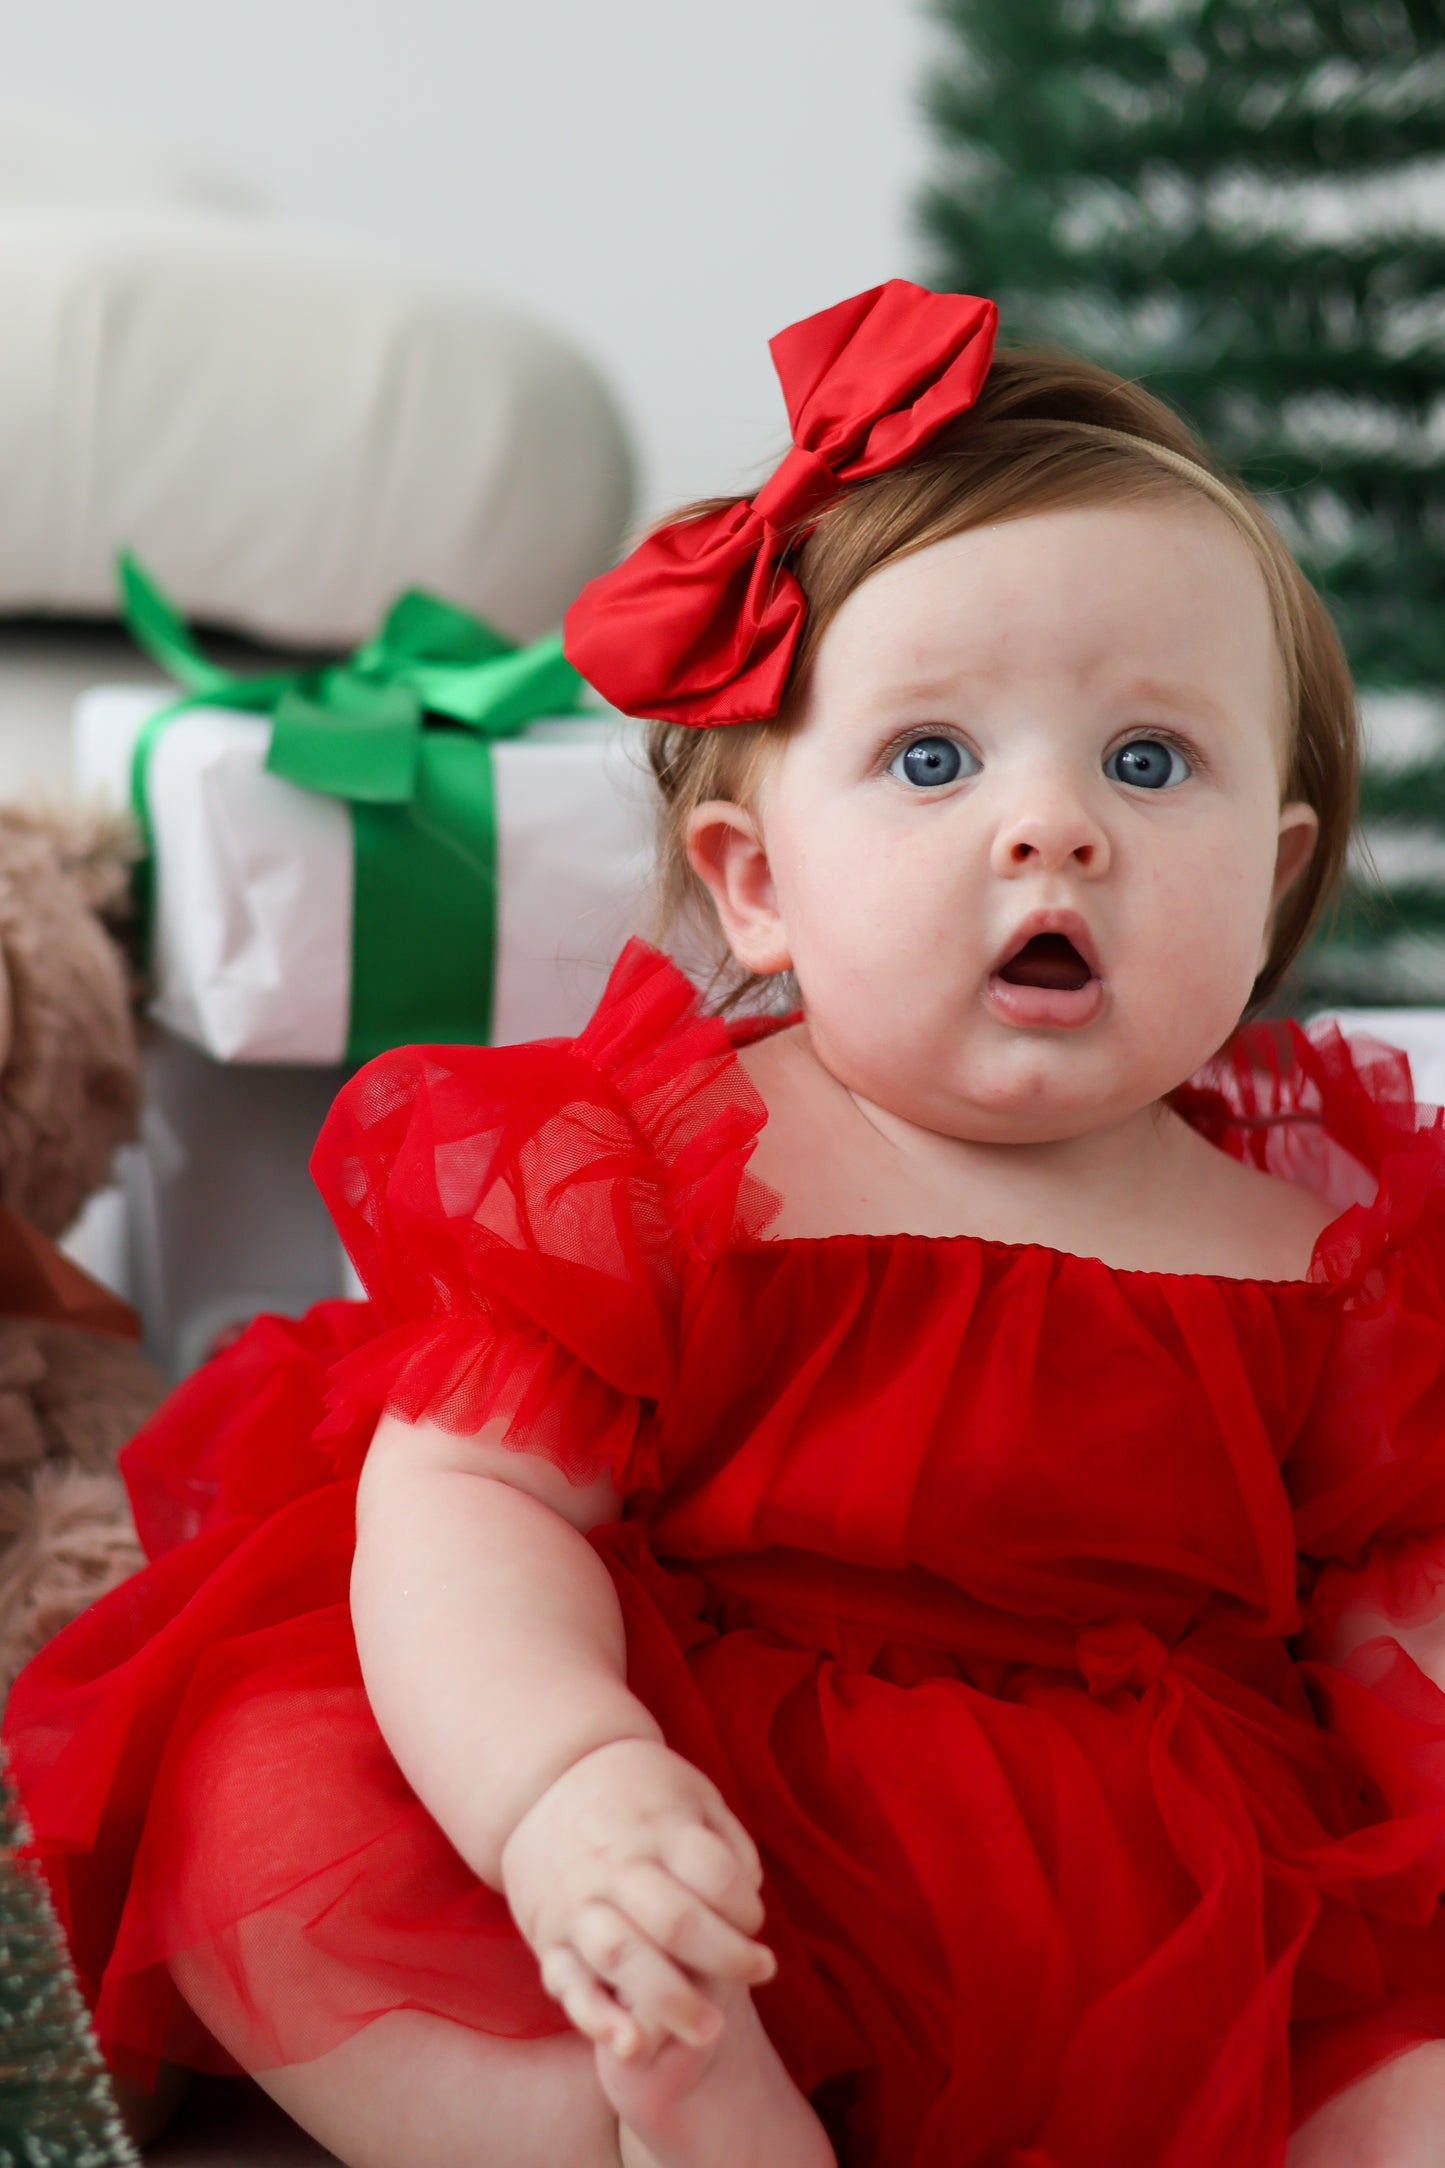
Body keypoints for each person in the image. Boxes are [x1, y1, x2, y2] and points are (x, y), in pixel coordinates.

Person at [8, 279, 1445, 2168]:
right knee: (266, 1798)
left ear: (1266, 889)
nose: (1053, 829)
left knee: (1388, 2078)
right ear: (754, 884)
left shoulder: (1310, 1254)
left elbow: (1386, 1608)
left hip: (1136, 1883)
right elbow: (471, 1507)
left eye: (1148, 762)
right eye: (934, 761)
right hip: (674, 1767)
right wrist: (562, 1793)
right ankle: (638, 2120)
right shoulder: (667, 1169)